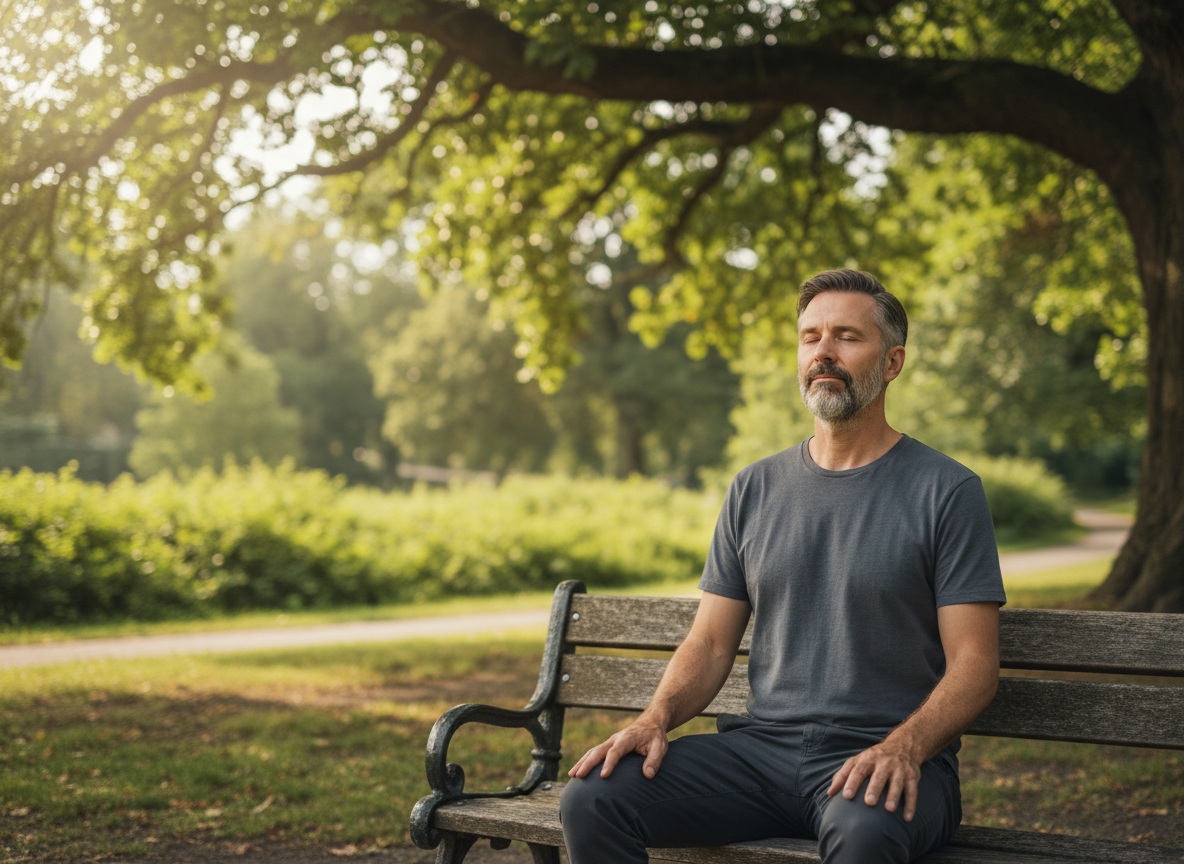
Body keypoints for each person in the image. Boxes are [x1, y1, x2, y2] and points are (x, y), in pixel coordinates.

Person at [560, 268, 1006, 864]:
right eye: (810, 337)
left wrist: (904, 747)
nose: (824, 351)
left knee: (864, 830)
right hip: (759, 754)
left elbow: (975, 664)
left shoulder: (946, 490)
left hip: (888, 757)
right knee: (593, 796)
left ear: (892, 362)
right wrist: (655, 717)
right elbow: (712, 643)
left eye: (847, 336)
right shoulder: (754, 487)